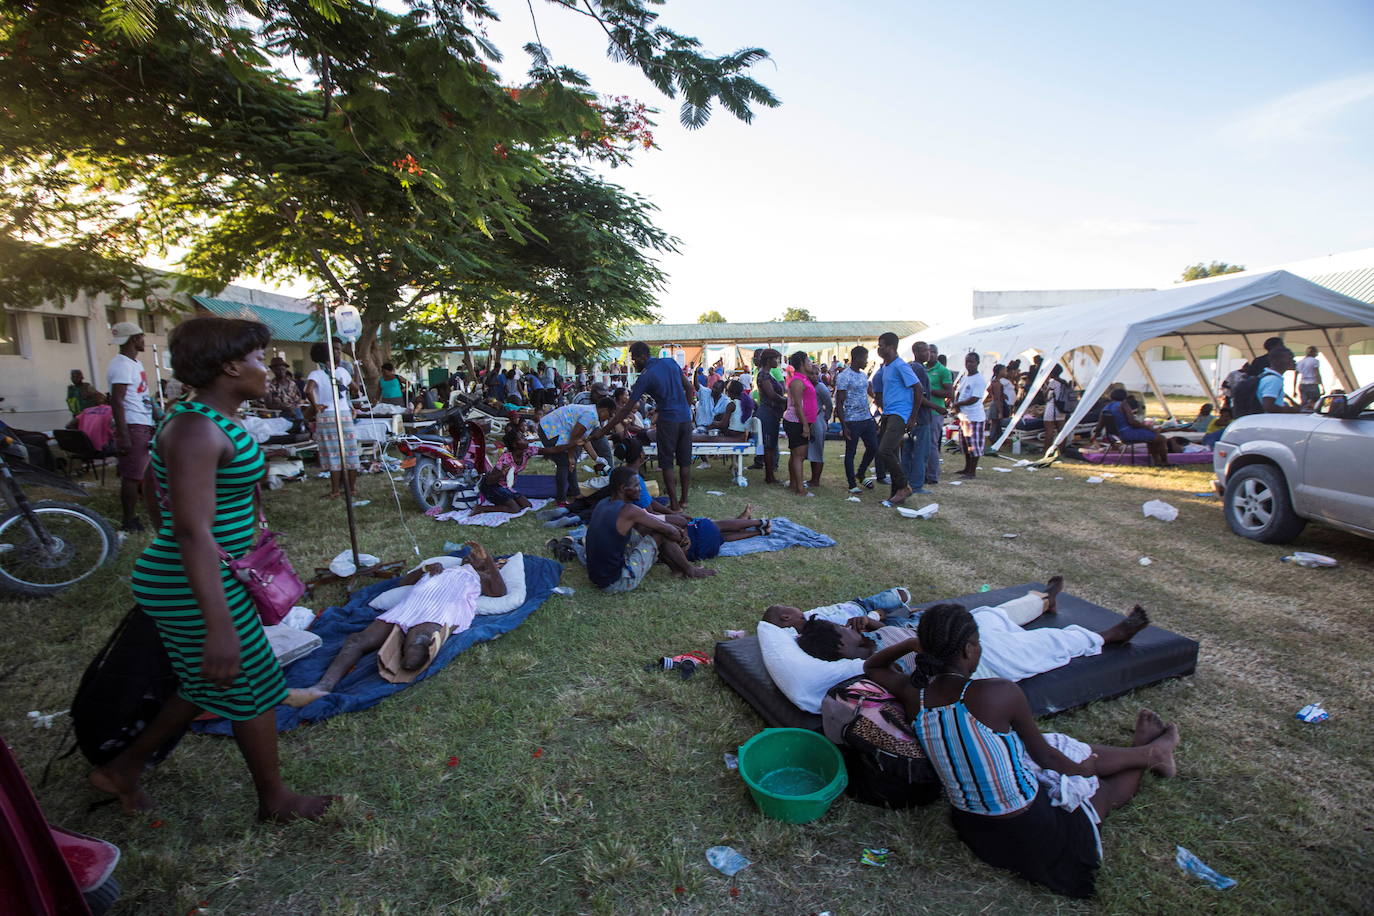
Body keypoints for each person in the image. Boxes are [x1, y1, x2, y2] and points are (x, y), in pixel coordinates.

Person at [88, 316, 336, 823]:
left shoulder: (209, 418)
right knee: (252, 685)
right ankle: (276, 801)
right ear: (228, 367)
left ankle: (122, 770)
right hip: (192, 579)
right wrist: (219, 624)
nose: (267, 368)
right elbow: (188, 531)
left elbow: (166, 500)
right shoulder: (197, 427)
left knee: (211, 682)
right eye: (256, 359)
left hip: (208, 572)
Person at [868, 603, 1178, 898]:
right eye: (977, 642)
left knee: (1059, 745)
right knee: (1101, 793)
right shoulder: (997, 692)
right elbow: (1047, 758)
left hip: (974, 827)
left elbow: (873, 665)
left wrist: (912, 644)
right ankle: (1149, 754)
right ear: (968, 649)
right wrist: (1081, 770)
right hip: (1028, 828)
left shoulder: (914, 694)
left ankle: (1146, 754)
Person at [288, 543, 509, 704]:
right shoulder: (444, 568)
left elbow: (500, 593)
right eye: (468, 555)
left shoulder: (481, 578)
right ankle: (321, 688)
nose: (469, 557)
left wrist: (488, 561)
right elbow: (402, 584)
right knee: (357, 640)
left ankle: (411, 652)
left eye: (474, 557)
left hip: (441, 610)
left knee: (417, 645)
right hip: (409, 607)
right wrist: (424, 570)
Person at [599, 341, 697, 512]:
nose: (634, 363)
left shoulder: (646, 376)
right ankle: (685, 500)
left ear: (642, 356)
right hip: (685, 419)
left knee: (666, 463)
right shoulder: (671, 363)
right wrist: (684, 409)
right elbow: (689, 388)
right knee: (685, 461)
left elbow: (627, 408)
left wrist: (604, 430)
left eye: (634, 359)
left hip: (668, 421)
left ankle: (674, 505)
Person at [584, 466, 715, 591]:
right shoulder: (629, 510)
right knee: (661, 533)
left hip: (596, 576)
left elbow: (650, 524)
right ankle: (690, 570)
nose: (640, 489)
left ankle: (678, 569)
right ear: (623, 489)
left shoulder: (604, 503)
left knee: (648, 528)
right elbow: (669, 532)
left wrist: (674, 530)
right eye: (636, 485)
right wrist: (682, 538)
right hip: (615, 582)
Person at [107, 322, 155, 531]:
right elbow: (117, 400)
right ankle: (129, 520)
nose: (144, 340)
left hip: (142, 423)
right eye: (142, 336)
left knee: (142, 473)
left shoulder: (134, 363)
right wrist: (124, 434)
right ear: (134, 339)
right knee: (132, 476)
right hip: (132, 425)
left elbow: (140, 395)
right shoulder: (121, 365)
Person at [304, 339, 362, 500]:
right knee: (351, 451)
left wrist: (316, 406)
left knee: (332, 453)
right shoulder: (342, 372)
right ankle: (352, 489)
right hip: (344, 415)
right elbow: (356, 389)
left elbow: (308, 391)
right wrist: (357, 368)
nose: (338, 352)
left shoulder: (315, 374)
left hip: (326, 416)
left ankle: (335, 491)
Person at [872, 332, 922, 506]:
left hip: (899, 414)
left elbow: (918, 388)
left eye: (882, 345)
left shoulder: (901, 366)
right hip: (888, 413)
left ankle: (904, 486)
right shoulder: (887, 366)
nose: (879, 349)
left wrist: (913, 416)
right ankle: (896, 494)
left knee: (884, 450)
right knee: (892, 453)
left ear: (892, 347)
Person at [538, 399, 615, 504]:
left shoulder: (593, 416)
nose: (609, 418)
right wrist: (570, 457)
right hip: (550, 429)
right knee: (565, 462)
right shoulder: (591, 415)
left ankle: (575, 494)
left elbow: (584, 440)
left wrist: (596, 458)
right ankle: (561, 499)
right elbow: (574, 436)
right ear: (604, 410)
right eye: (610, 415)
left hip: (557, 429)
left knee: (571, 462)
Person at [834, 345, 878, 493]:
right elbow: (839, 402)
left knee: (874, 447)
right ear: (857, 358)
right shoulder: (844, 376)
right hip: (852, 420)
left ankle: (860, 472)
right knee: (850, 452)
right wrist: (844, 425)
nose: (866, 362)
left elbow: (867, 394)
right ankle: (852, 484)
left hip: (866, 418)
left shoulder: (863, 375)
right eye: (865, 359)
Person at [470, 425, 538, 515]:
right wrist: (502, 473)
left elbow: (550, 450)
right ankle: (481, 508)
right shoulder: (506, 459)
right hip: (491, 486)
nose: (525, 438)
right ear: (515, 444)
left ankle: (506, 499)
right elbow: (490, 481)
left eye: (524, 437)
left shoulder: (526, 452)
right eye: (522, 438)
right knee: (515, 509)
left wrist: (562, 445)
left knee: (527, 506)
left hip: (505, 486)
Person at [902, 341, 940, 496]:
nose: (928, 353)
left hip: (912, 416)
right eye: (925, 351)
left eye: (929, 351)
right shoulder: (918, 369)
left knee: (908, 451)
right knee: (920, 453)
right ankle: (916, 485)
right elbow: (919, 395)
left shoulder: (912, 367)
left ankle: (904, 480)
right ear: (916, 352)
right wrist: (936, 407)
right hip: (921, 417)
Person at [781, 352, 819, 496]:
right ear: (802, 364)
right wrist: (804, 425)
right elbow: (797, 405)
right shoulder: (797, 381)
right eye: (808, 361)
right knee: (799, 455)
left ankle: (793, 484)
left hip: (801, 421)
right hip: (796, 422)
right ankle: (800, 489)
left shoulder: (804, 379)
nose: (810, 363)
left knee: (795, 454)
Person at [1099, 389, 1168, 465]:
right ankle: (1164, 462)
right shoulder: (1123, 405)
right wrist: (1147, 427)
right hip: (1126, 434)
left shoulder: (1106, 408)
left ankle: (1157, 461)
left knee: (1152, 436)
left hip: (1114, 436)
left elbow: (1100, 425)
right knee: (1161, 438)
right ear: (1125, 397)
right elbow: (1132, 422)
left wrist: (1094, 437)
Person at [753, 349, 787, 485]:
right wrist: (787, 401)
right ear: (768, 360)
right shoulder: (764, 376)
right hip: (768, 413)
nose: (777, 362)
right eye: (775, 359)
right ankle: (769, 476)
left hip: (771, 413)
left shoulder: (765, 374)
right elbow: (772, 395)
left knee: (771, 445)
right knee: (769, 446)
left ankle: (770, 474)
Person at [952, 352, 988, 478]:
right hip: (964, 416)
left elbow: (975, 398)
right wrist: (956, 402)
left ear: (977, 363)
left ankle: (972, 471)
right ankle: (967, 468)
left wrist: (958, 404)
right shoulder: (966, 377)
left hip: (975, 417)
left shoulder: (979, 379)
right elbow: (959, 392)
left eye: (971, 362)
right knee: (966, 445)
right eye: (967, 361)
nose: (968, 364)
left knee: (974, 445)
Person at [924, 344, 954, 486]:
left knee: (932, 444)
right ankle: (923, 472)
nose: (930, 354)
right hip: (922, 411)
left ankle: (933, 475)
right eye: (928, 351)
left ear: (937, 354)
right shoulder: (922, 368)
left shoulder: (943, 371)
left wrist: (931, 391)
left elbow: (949, 393)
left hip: (936, 411)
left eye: (933, 352)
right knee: (922, 444)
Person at [261, 357, 306, 433]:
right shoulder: (270, 386)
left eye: (283, 369)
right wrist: (287, 408)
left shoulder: (292, 384)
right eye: (278, 369)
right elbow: (269, 404)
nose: (281, 371)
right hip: (280, 416)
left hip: (296, 414)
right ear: (273, 370)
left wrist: (295, 407)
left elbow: (299, 398)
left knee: (300, 434)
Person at [806, 363, 831, 488]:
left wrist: (825, 418)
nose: (814, 376)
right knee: (812, 452)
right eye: (812, 373)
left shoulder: (821, 387)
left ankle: (816, 480)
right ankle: (812, 478)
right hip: (810, 421)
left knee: (818, 451)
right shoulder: (807, 385)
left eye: (817, 373)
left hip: (817, 420)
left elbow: (829, 404)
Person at [1259, 346, 1302, 413]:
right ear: (1276, 361)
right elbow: (1269, 406)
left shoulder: (1265, 376)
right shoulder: (1274, 380)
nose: (1294, 361)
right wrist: (1291, 410)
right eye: (1290, 358)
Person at [1041, 365, 1070, 451]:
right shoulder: (1064, 382)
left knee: (1049, 430)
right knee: (1061, 430)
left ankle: (1046, 450)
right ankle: (1061, 449)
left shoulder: (1053, 382)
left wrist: (1045, 384)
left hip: (1052, 407)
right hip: (1062, 408)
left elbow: (1045, 396)